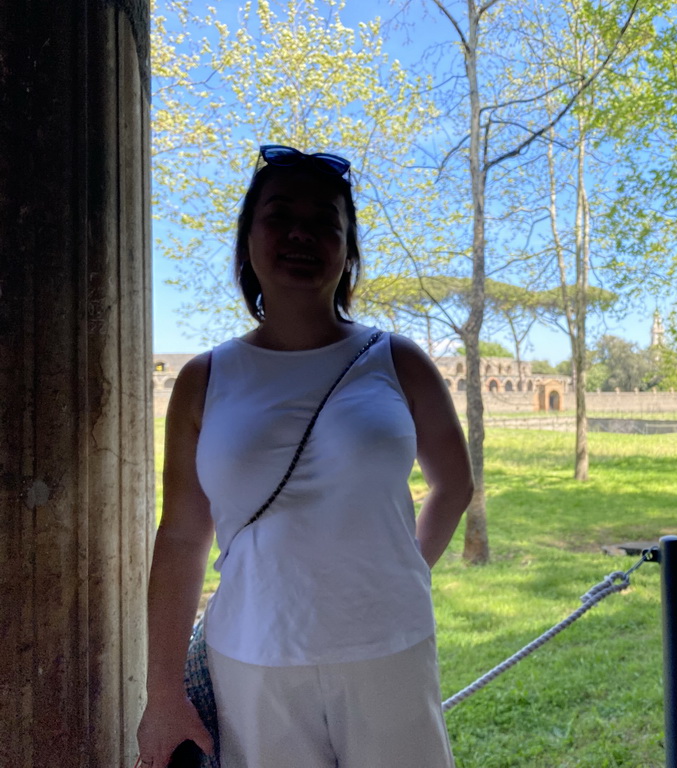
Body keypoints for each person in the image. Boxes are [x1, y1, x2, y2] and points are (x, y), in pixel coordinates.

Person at [136, 145, 473, 768]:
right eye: (279, 214)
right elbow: (183, 534)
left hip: (388, 646)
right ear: (246, 244)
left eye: (326, 222)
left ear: (348, 253)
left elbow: (454, 485)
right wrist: (162, 694)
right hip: (251, 658)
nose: (301, 233)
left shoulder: (398, 361)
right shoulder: (204, 378)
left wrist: (407, 567)